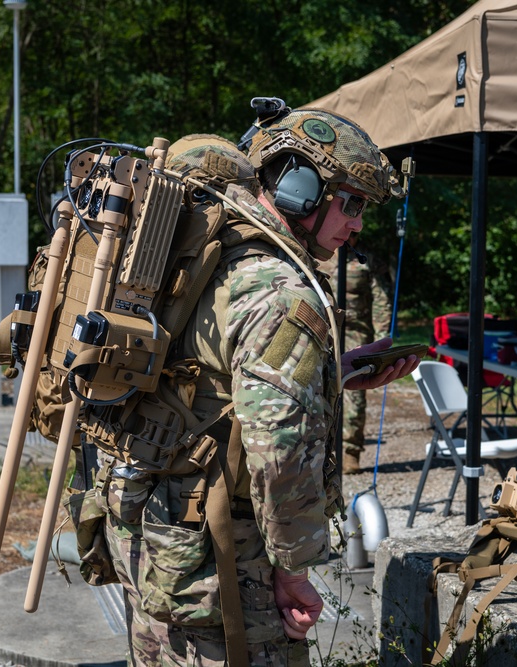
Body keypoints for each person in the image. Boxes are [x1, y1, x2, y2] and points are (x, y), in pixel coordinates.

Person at [97, 108, 419, 666]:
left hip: (149, 528)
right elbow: (279, 451)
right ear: (299, 187)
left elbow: (202, 380)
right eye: (353, 201)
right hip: (221, 555)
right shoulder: (279, 291)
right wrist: (293, 570)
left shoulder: (205, 251)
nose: (359, 222)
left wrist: (332, 374)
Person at [321, 237, 393, 473]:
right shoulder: (319, 252)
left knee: (355, 393)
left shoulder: (367, 259)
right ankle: (320, 446)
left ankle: (350, 450)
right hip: (322, 328)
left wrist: (383, 337)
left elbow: (382, 300)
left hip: (355, 332)